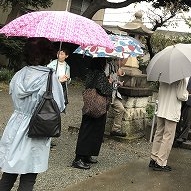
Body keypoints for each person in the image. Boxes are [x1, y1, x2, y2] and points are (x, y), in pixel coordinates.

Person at [0, 37, 65, 191]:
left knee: (9, 172)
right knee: (28, 177)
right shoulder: (49, 77)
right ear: (47, 55)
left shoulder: (18, 75)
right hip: (37, 127)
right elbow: (59, 106)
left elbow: (12, 94)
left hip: (16, 124)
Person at [72, 57, 113, 170]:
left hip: (90, 106)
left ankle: (86, 155)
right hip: (97, 107)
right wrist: (110, 83)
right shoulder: (99, 74)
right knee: (92, 131)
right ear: (101, 62)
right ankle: (79, 158)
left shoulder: (90, 72)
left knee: (88, 130)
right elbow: (105, 90)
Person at [149, 78, 188, 171]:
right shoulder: (181, 78)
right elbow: (181, 96)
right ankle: (160, 162)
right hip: (171, 110)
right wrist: (187, 94)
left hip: (162, 108)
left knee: (158, 134)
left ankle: (153, 158)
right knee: (168, 137)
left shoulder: (164, 76)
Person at [175, 75, 191, 144]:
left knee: (187, 118)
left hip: (190, 100)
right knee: (178, 117)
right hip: (180, 98)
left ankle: (183, 136)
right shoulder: (181, 74)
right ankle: (176, 134)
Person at [105, 59, 127, 137]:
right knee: (104, 112)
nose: (125, 63)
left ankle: (115, 129)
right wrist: (113, 76)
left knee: (121, 109)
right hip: (107, 93)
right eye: (125, 61)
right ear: (120, 60)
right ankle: (100, 132)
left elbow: (114, 81)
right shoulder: (109, 66)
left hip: (114, 94)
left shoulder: (117, 67)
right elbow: (105, 77)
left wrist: (118, 83)